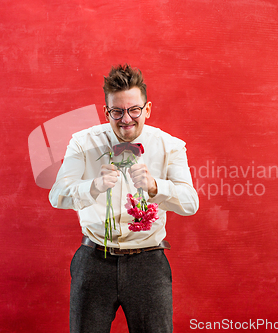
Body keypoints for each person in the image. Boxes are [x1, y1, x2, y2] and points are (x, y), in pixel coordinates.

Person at [49, 64, 199, 333]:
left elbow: (190, 202)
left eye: (134, 110)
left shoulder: (170, 146)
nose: (126, 119)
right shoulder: (83, 143)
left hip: (148, 263)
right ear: (107, 112)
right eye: (117, 111)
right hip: (93, 260)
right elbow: (57, 195)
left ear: (147, 109)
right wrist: (93, 186)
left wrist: (156, 186)